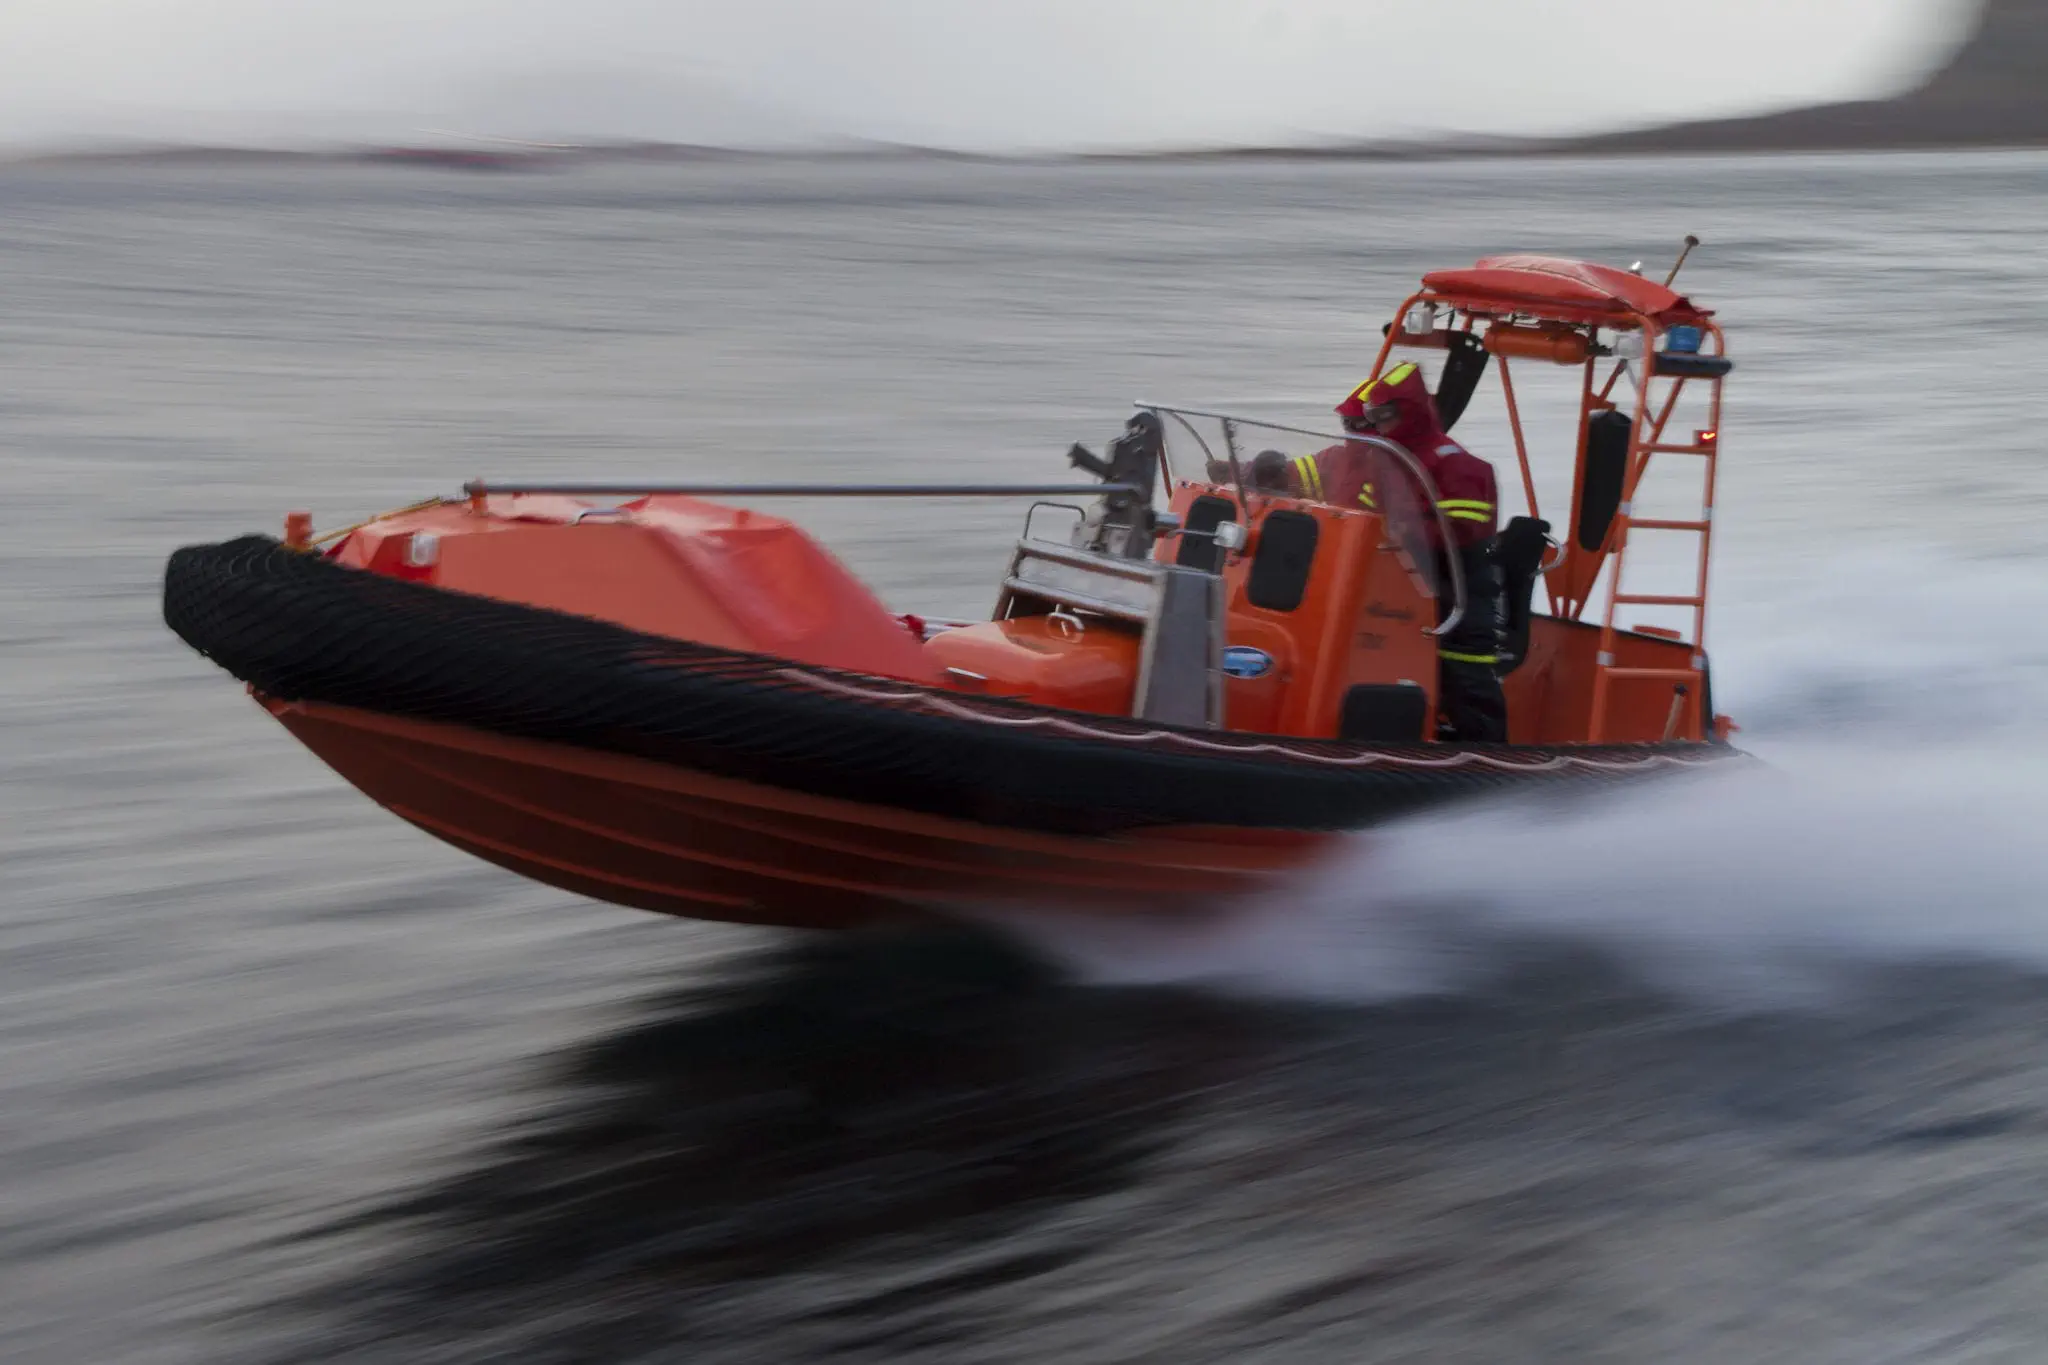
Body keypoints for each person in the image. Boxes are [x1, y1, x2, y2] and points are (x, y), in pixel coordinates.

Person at [1209, 365, 1508, 742]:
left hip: (1450, 583)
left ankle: (1488, 758)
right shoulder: (1362, 460)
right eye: (1353, 422)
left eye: (1368, 422)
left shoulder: (1452, 464)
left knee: (1465, 672)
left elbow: (1461, 529)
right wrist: (1245, 472)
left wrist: (1400, 528)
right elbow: (1304, 477)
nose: (1355, 431)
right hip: (1379, 578)